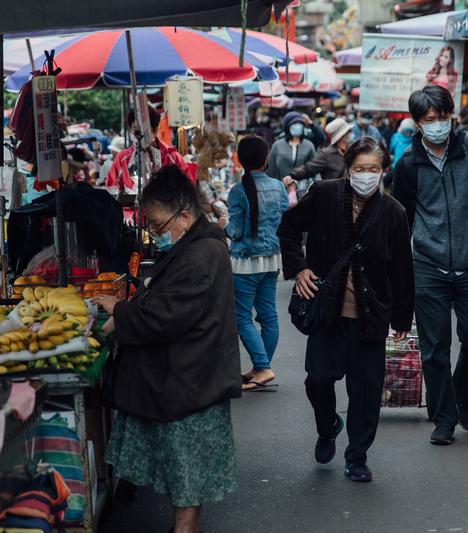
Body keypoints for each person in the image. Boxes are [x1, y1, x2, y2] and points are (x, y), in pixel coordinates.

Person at [93, 166, 241, 533]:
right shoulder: (197, 245)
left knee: (186, 467)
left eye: (158, 226)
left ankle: (185, 529)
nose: (155, 234)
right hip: (193, 371)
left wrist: (121, 315)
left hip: (192, 376)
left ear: (185, 215)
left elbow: (167, 314)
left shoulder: (201, 254)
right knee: (183, 467)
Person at [278, 137, 415, 483]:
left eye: (374, 169)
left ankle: (357, 457)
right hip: (328, 315)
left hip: (371, 318)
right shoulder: (325, 194)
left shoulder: (394, 212)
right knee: (318, 381)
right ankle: (327, 426)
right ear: (347, 168)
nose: (366, 176)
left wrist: (402, 318)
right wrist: (300, 269)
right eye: (360, 169)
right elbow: (289, 228)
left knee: (366, 394)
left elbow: (402, 268)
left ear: (383, 171)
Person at [391, 86, 468, 446]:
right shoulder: (408, 165)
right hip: (428, 266)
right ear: (417, 123)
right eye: (430, 120)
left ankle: (463, 395)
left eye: (443, 117)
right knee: (434, 349)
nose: (438, 124)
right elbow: (402, 221)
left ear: (451, 115)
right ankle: (443, 419)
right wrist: (398, 272)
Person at [223, 136, 289, 392]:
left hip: (245, 264)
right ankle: (261, 366)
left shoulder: (238, 191)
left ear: (240, 161)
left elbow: (236, 231)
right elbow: (284, 221)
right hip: (272, 261)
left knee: (242, 318)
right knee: (268, 316)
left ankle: (262, 366)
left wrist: (222, 227)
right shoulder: (278, 187)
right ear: (266, 159)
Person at [105, 104, 196, 196]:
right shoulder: (122, 158)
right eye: (135, 131)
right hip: (132, 209)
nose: (139, 135)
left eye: (144, 131)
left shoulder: (172, 157)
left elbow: (188, 187)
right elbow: (111, 188)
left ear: (155, 130)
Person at [283, 117, 352, 186]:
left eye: (347, 135)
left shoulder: (351, 150)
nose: (346, 139)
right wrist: (292, 175)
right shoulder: (327, 154)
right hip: (335, 193)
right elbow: (308, 169)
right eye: (343, 136)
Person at [267, 111, 317, 181]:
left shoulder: (309, 145)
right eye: (295, 123)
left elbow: (313, 170)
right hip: (281, 187)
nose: (298, 125)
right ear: (287, 126)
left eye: (300, 123)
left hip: (303, 189)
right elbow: (271, 170)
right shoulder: (277, 145)